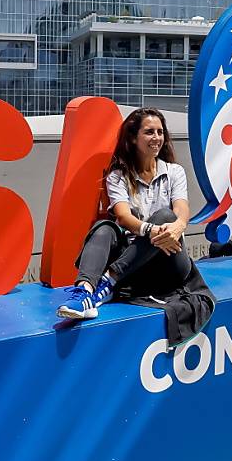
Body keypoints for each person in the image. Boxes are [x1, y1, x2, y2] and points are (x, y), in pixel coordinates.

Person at [57, 108, 205, 322]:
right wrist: (152, 230)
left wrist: (179, 225)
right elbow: (123, 217)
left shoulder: (174, 172)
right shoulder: (118, 176)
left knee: (165, 215)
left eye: (160, 132)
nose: (156, 138)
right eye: (149, 132)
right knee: (104, 227)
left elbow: (181, 208)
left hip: (170, 263)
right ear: (133, 138)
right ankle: (85, 293)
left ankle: (108, 282)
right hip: (134, 266)